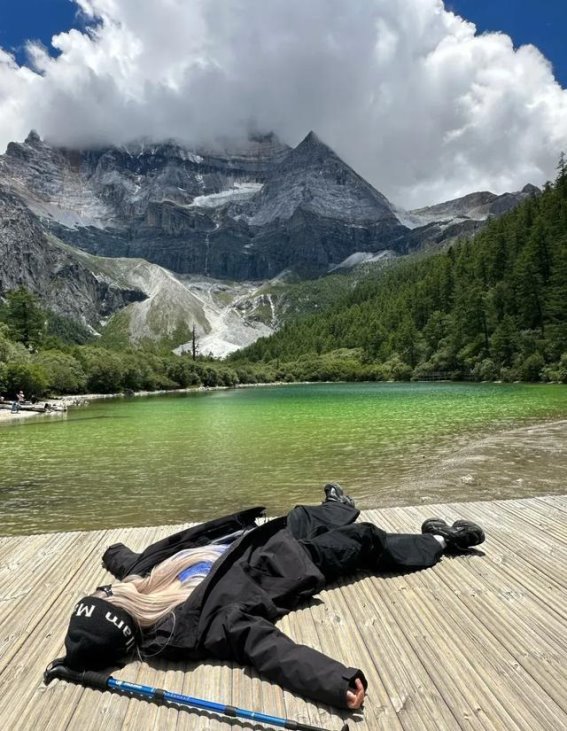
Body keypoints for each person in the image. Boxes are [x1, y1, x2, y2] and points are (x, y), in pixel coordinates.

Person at [61, 484, 485, 711]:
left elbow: (127, 561)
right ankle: (439, 541)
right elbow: (267, 649)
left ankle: (338, 505)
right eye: (111, 597)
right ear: (128, 615)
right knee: (365, 539)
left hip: (260, 539)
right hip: (297, 562)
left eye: (107, 591)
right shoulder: (202, 627)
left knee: (303, 515)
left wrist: (112, 551)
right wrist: (334, 681)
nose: (114, 587)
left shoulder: (139, 579)